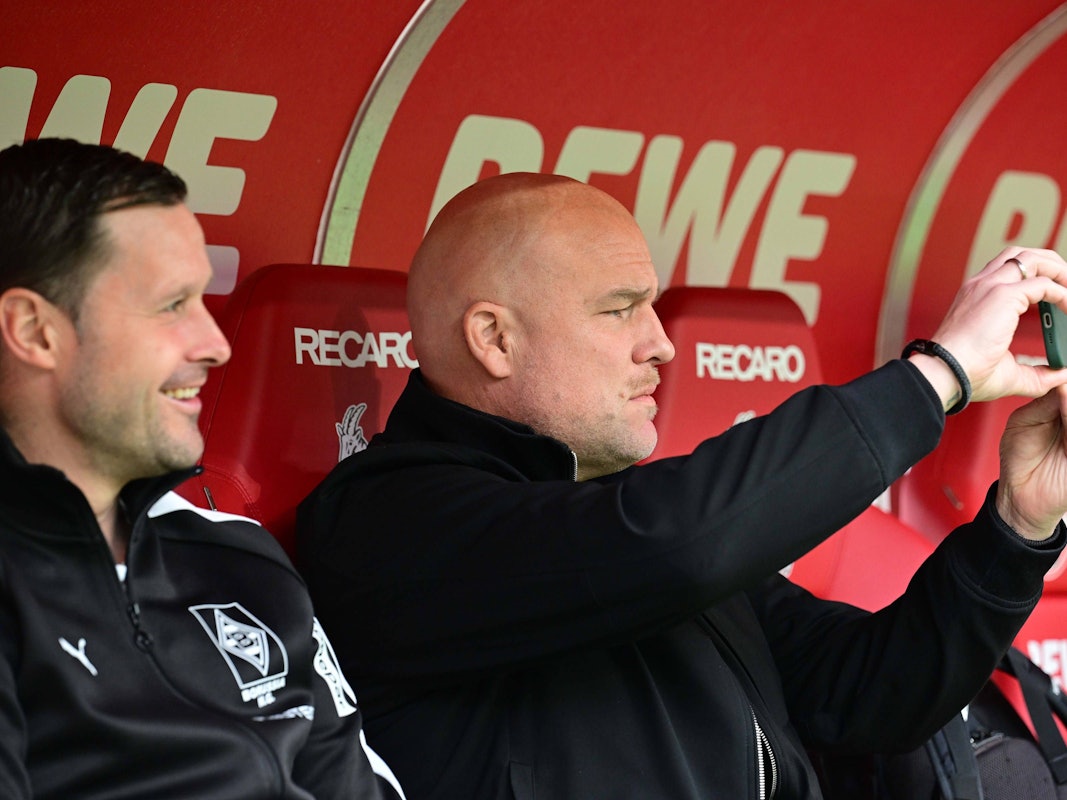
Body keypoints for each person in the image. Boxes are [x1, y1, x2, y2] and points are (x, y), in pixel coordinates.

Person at [296, 172, 1067, 800]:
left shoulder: (626, 520)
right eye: (619, 309)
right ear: (494, 338)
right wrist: (935, 377)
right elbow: (674, 544)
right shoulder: (385, 518)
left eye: (654, 306)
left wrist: (1017, 527)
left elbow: (866, 694)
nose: (660, 344)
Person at [0, 138, 405, 800]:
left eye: (205, 301)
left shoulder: (234, 552)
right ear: (36, 331)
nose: (216, 345)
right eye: (172, 305)